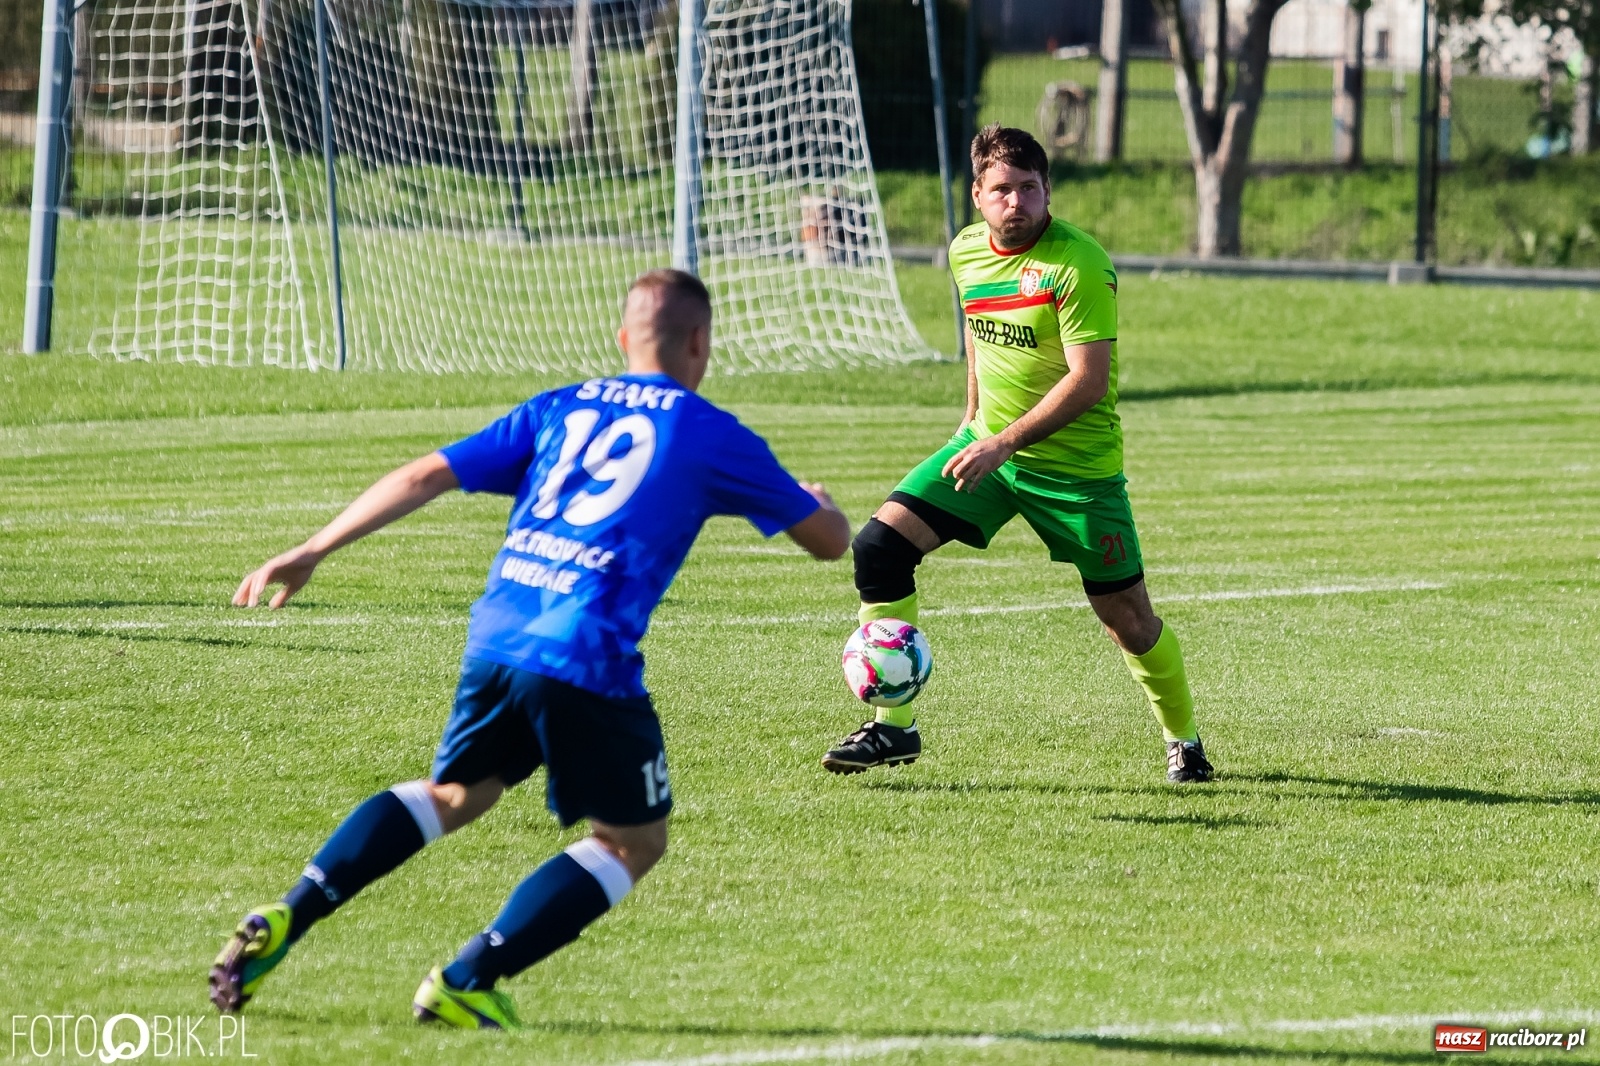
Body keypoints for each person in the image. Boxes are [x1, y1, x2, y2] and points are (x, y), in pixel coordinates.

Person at [211, 269, 850, 1028]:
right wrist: (821, 504)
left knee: (455, 796)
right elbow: (829, 544)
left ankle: (292, 910)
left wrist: (311, 549)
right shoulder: (710, 432)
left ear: (622, 340)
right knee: (633, 841)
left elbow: (424, 474)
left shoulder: (561, 405)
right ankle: (470, 977)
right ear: (700, 342)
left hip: (498, 638)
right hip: (587, 655)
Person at [820, 125, 1213, 784]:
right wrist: (972, 420)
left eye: (1029, 188)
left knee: (1129, 622)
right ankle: (895, 729)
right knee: (879, 549)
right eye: (1002, 189)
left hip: (1075, 473)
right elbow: (979, 333)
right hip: (988, 452)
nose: (1017, 202)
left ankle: (1186, 742)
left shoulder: (1077, 264)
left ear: (1047, 190)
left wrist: (1003, 441)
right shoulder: (967, 252)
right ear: (978, 195)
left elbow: (1087, 382)